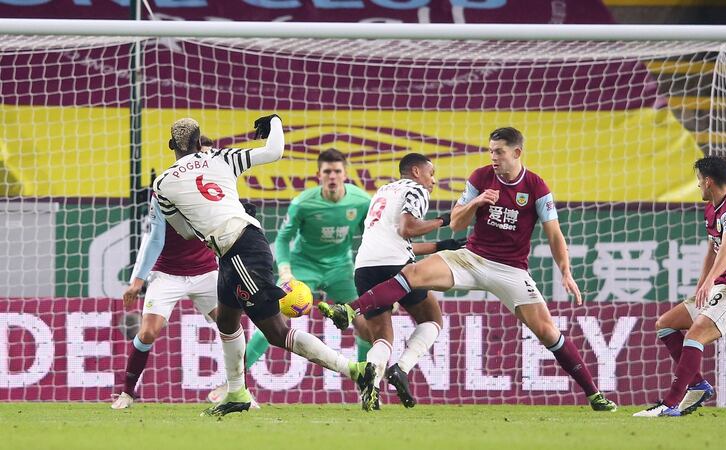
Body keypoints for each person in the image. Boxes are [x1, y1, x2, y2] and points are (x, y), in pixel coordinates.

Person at [320, 127, 617, 412]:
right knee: (412, 274)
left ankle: (594, 394)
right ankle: (349, 310)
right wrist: (476, 202)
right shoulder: (481, 177)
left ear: (517, 152)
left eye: (499, 152)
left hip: (511, 270)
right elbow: (459, 222)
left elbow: (554, 234)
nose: (494, 158)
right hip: (471, 257)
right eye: (491, 152)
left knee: (547, 332)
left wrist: (565, 270)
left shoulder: (536, 187)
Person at [153, 116, 375, 416]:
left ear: (171, 147)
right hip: (237, 247)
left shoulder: (162, 183)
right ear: (199, 143)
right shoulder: (220, 157)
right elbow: (274, 151)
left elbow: (186, 232)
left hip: (239, 248)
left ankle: (355, 369)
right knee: (227, 323)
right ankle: (236, 392)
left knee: (277, 332)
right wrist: (275, 122)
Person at [207, 148, 374, 403]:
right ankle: (233, 384)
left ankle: (366, 387)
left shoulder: (361, 201)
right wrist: (285, 269)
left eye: (337, 171)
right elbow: (283, 238)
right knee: (270, 320)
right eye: (327, 172)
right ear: (318, 175)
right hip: (303, 267)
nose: (332, 176)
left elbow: (371, 238)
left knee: (366, 323)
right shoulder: (303, 203)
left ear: (345, 174)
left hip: (340, 268)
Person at [634, 156, 726, 417]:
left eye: (699, 181)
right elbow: (712, 251)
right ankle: (698, 385)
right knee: (665, 324)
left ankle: (669, 404)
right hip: (720, 287)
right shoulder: (712, 209)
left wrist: (712, 281)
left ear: (709, 181)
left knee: (694, 335)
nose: (698, 186)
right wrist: (703, 283)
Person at [351, 153, 464, 411]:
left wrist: (439, 245)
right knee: (432, 319)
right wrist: (445, 220)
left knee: (382, 337)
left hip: (365, 266)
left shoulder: (382, 191)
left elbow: (398, 238)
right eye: (431, 173)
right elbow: (407, 229)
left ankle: (372, 380)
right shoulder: (416, 189)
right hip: (396, 267)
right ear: (416, 172)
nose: (433, 181)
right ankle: (400, 369)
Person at [111, 153, 224, 410]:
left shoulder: (216, 188)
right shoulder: (165, 189)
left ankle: (240, 389)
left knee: (230, 327)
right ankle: (127, 392)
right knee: (148, 331)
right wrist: (137, 282)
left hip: (206, 272)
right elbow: (155, 239)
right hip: (167, 274)